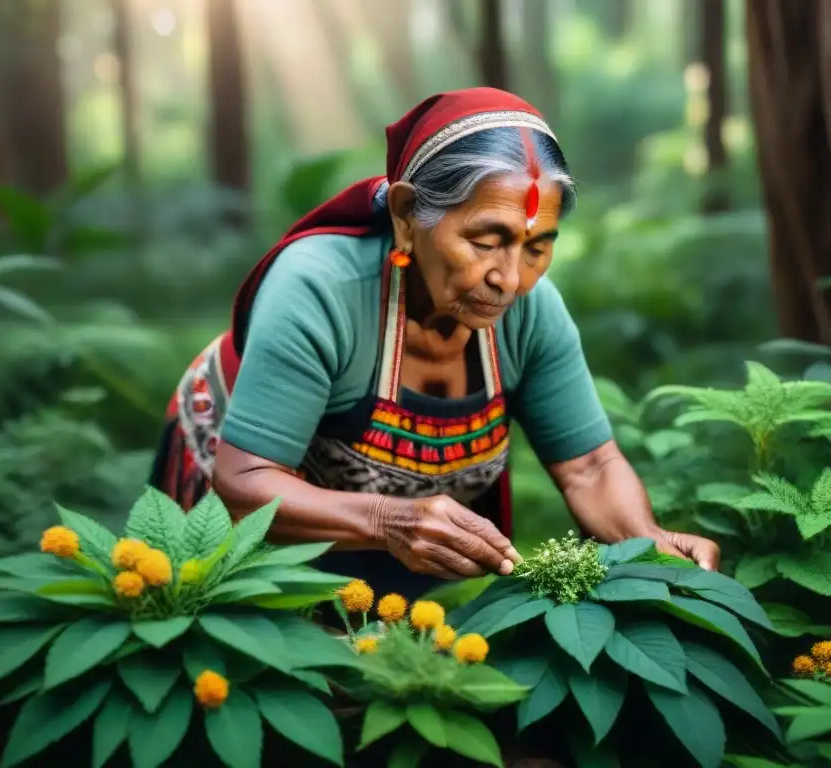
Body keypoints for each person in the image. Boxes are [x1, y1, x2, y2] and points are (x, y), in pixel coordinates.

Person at [150, 87, 720, 600]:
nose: (511, 280)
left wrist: (648, 542)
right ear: (405, 215)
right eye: (484, 240)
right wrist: (387, 520)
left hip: (391, 534)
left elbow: (591, 467)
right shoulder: (319, 288)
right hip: (241, 517)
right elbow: (246, 483)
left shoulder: (530, 311)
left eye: (537, 248)